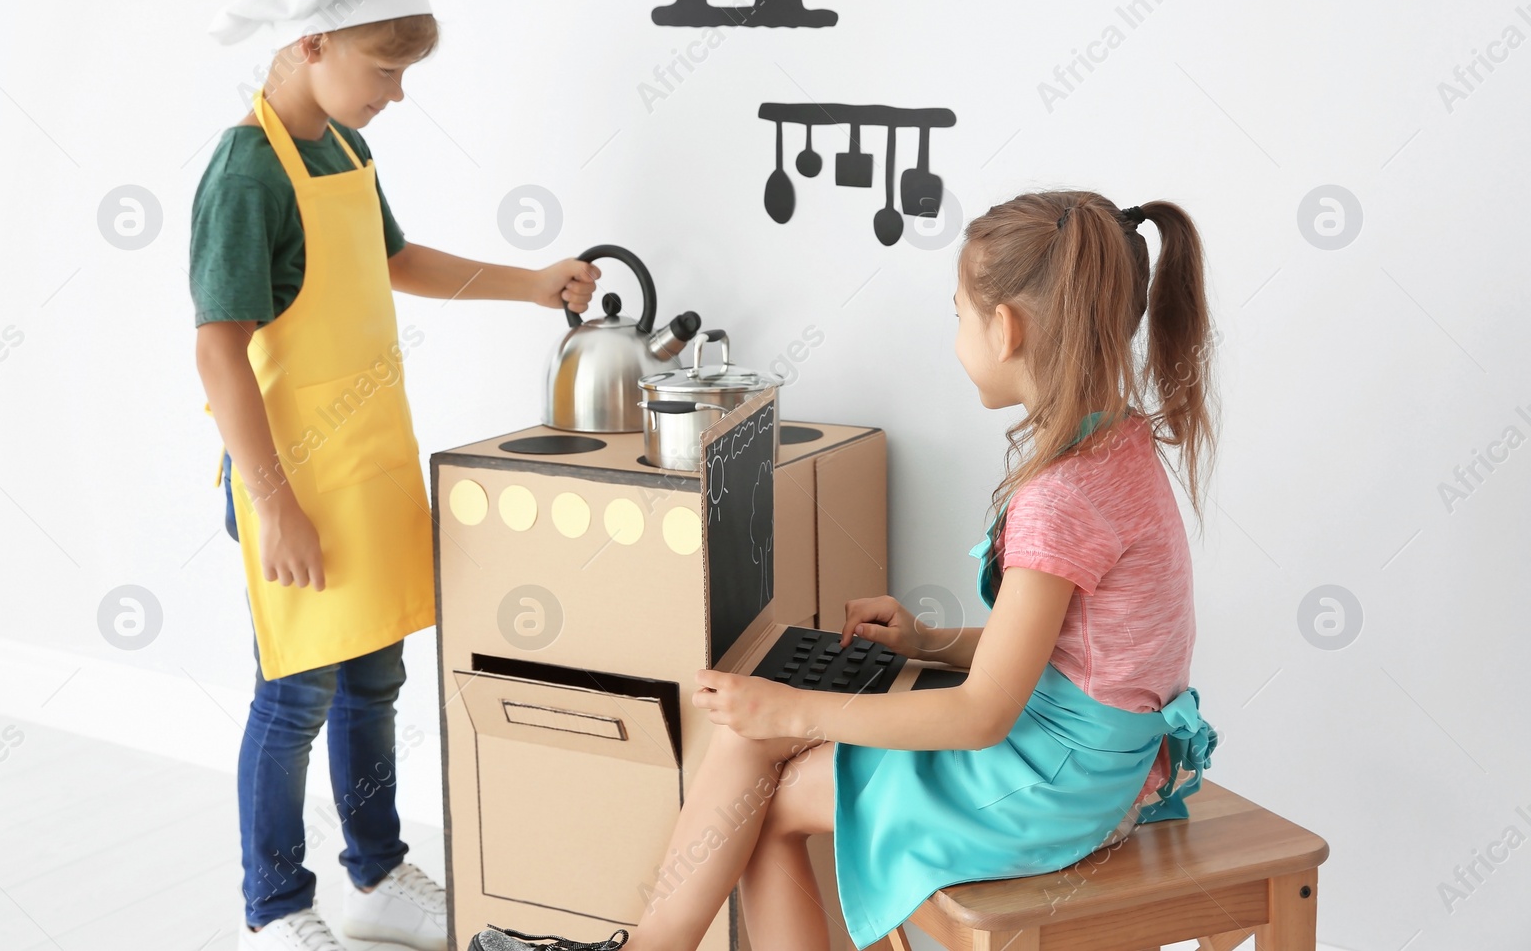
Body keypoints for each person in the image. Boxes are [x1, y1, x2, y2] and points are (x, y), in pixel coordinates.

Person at [467, 191, 1221, 951]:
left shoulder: (1061, 497)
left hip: (1054, 787)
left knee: (756, 802)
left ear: (1006, 328)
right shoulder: (1116, 447)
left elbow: (980, 715)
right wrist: (928, 639)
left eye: (958, 313)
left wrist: (792, 712)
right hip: (1089, 762)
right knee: (752, 764)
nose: (956, 332)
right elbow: (1072, 652)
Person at [191, 0, 599, 951]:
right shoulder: (248, 172)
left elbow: (395, 261)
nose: (397, 92)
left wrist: (530, 282)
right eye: (383, 68)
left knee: (375, 680)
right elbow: (217, 351)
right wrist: (272, 503)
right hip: (291, 483)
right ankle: (275, 905)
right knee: (294, 697)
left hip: (365, 466)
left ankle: (375, 875)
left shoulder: (338, 150)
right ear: (312, 42)